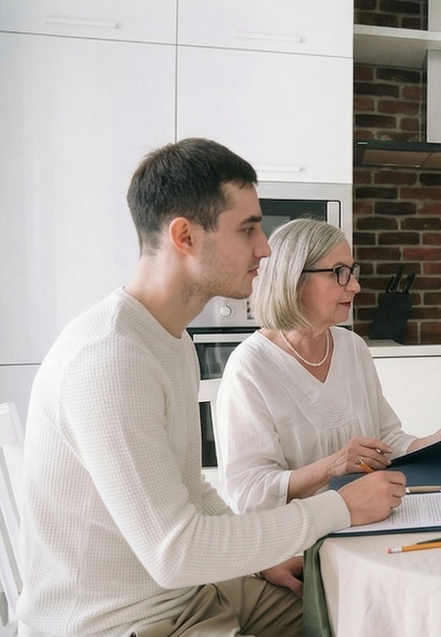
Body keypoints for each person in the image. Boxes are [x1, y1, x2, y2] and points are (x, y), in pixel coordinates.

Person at [17, 138, 406, 637]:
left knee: (361, 610)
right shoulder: (109, 359)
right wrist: (340, 507)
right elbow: (174, 553)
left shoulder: (170, 340)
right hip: (130, 622)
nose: (265, 248)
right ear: (184, 236)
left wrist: (260, 561)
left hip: (195, 593)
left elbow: (193, 490)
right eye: (247, 229)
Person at [215, 218, 441, 514]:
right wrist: (332, 466)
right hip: (300, 539)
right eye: (340, 273)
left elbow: (386, 439)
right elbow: (247, 493)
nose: (355, 285)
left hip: (370, 518)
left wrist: (434, 444)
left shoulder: (352, 347)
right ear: (294, 280)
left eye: (352, 272)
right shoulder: (249, 367)